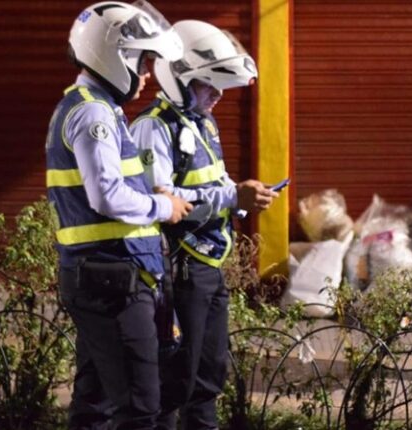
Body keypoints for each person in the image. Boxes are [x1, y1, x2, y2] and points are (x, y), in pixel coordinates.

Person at [45, 2, 193, 428]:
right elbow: (107, 196)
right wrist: (164, 207)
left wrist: (153, 191)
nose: (148, 75)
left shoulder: (97, 107)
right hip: (110, 283)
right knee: (139, 407)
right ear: (115, 56)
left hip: (105, 279)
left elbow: (113, 186)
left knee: (96, 405)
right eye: (143, 62)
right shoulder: (94, 113)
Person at [130, 20, 277, 430]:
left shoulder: (202, 122)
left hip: (209, 265)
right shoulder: (153, 127)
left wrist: (245, 199)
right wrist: (232, 197)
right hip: (175, 267)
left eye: (220, 87)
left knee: (209, 373)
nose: (218, 96)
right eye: (208, 86)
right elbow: (161, 201)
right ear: (178, 78)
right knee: (177, 374)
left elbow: (215, 182)